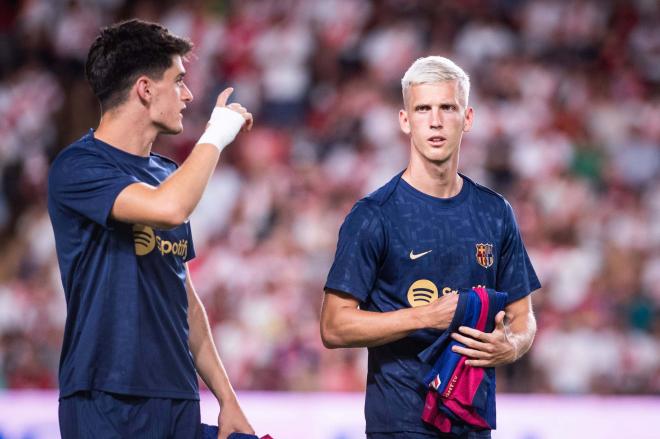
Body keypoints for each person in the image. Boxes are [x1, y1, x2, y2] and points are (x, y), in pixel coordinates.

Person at [48, 19, 254, 439]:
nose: (188, 94)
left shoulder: (168, 173)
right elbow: (170, 208)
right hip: (104, 398)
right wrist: (217, 133)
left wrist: (227, 400)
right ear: (144, 89)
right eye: (178, 80)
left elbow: (185, 301)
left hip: (177, 396)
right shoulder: (77, 167)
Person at [321, 56, 541, 438]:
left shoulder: (495, 212)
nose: (435, 121)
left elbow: (523, 316)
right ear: (405, 120)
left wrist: (512, 345)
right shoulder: (374, 215)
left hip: (473, 422)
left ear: (467, 118)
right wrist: (425, 316)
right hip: (400, 423)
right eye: (423, 108)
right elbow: (334, 326)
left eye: (447, 108)